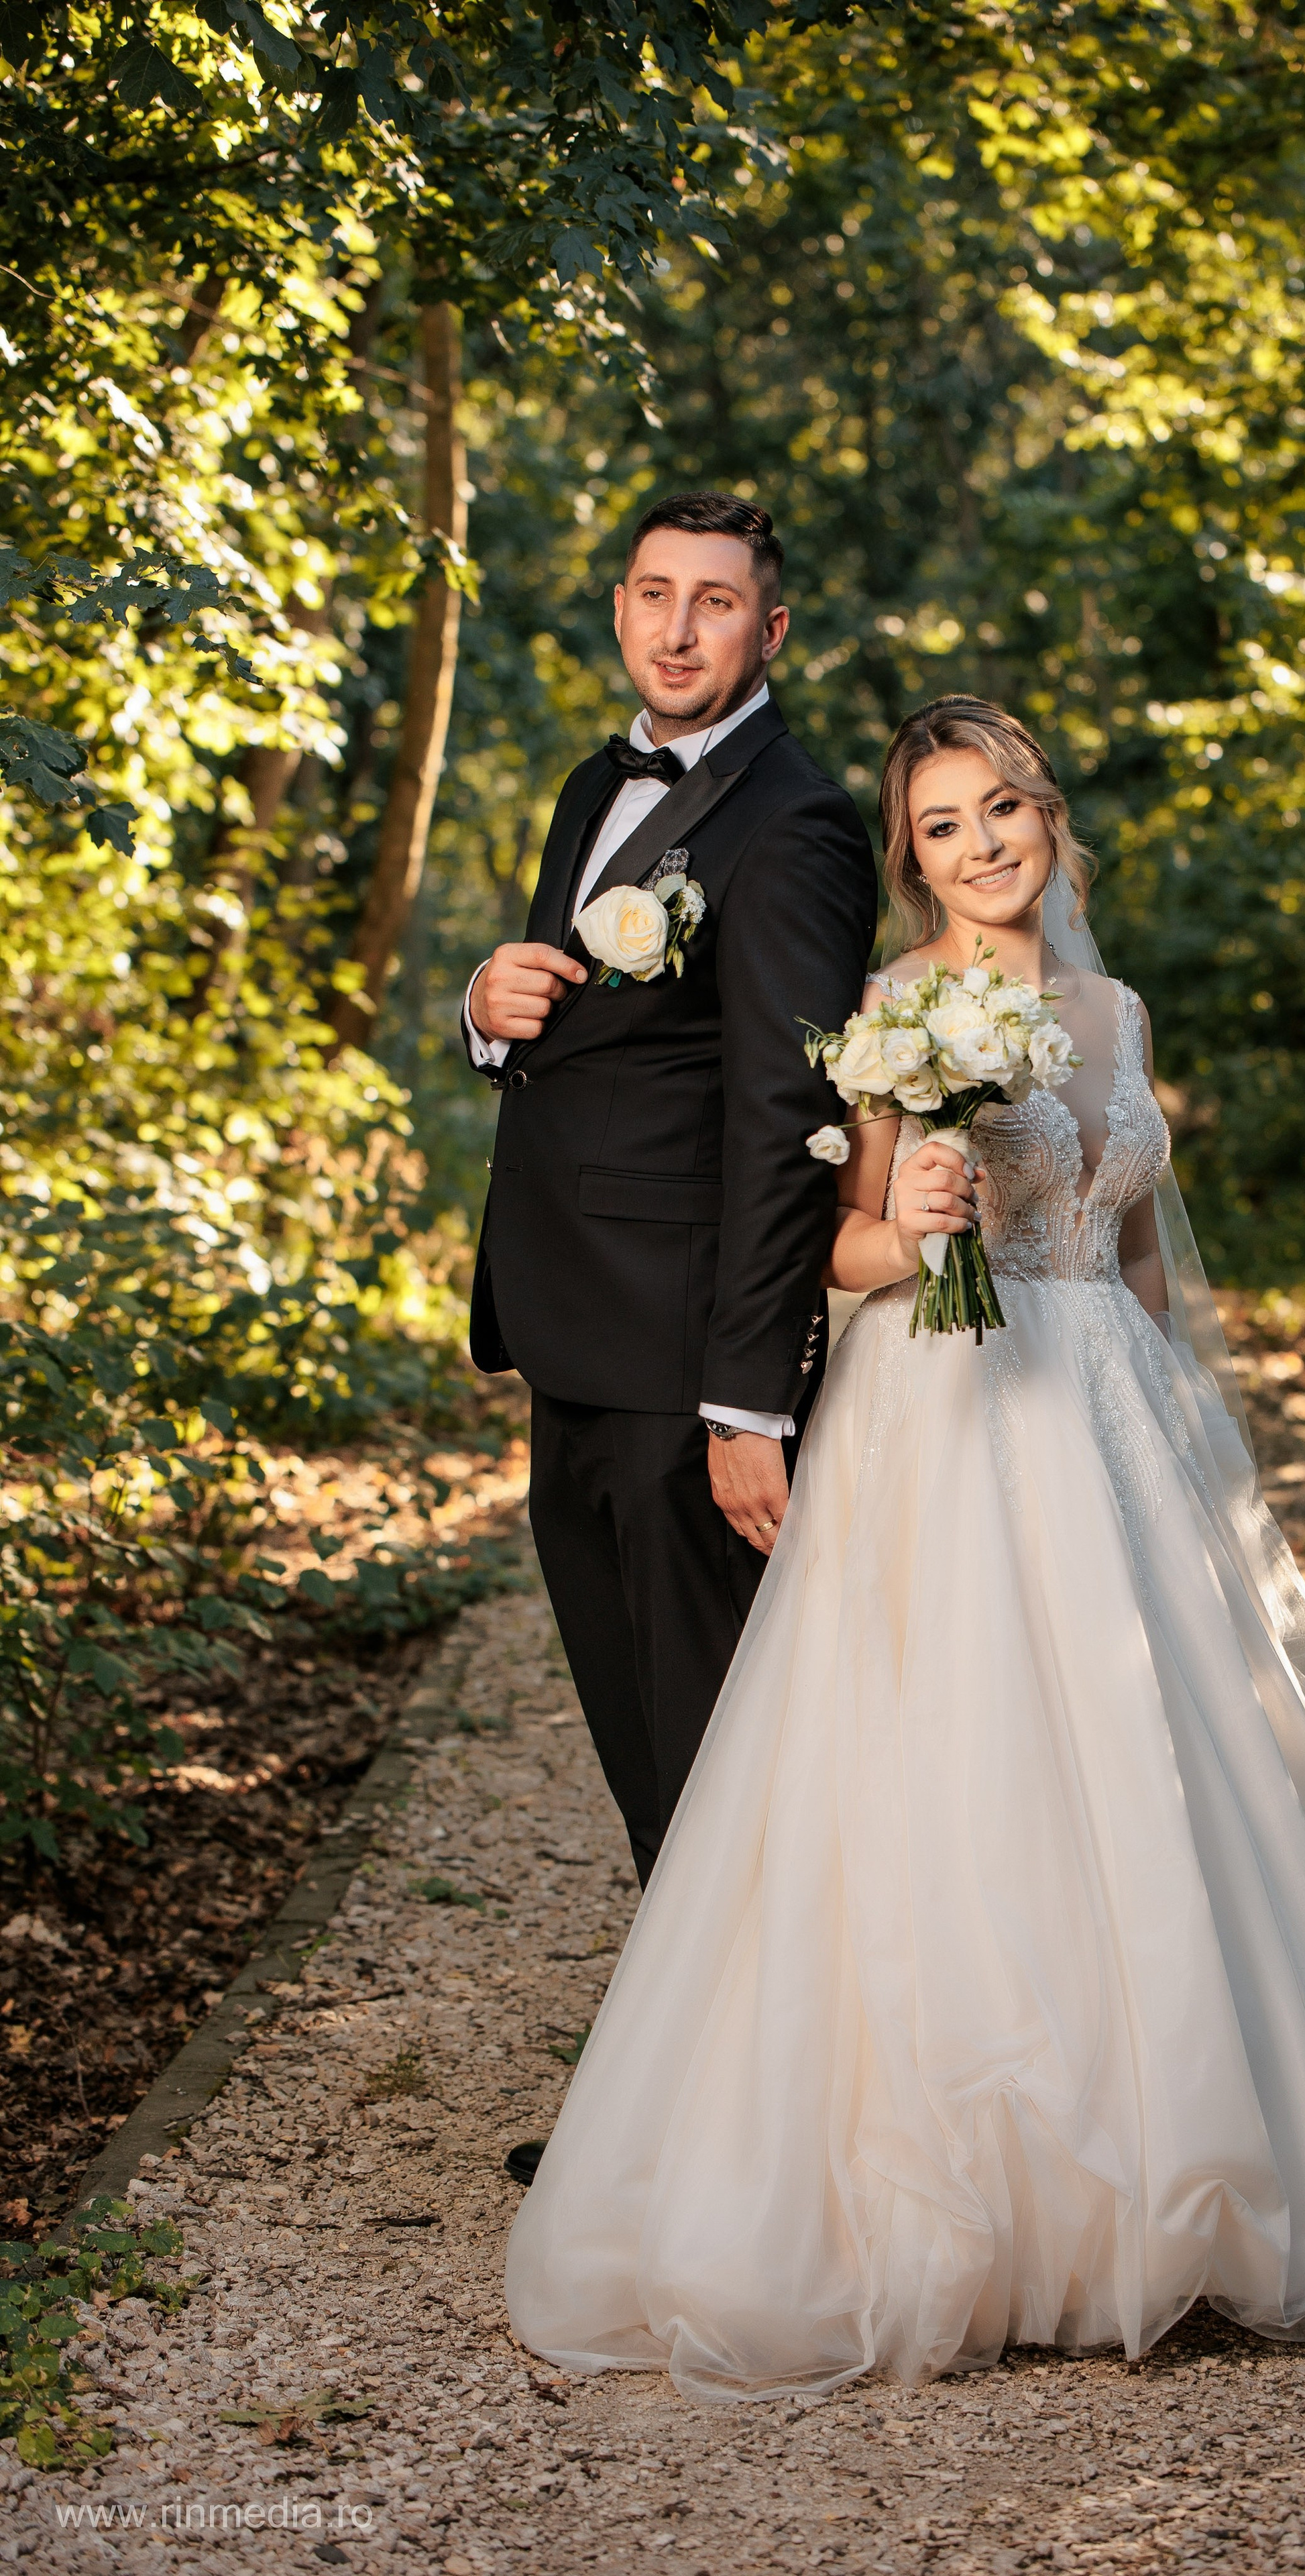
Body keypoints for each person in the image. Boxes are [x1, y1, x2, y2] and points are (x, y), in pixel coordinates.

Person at [505, 694, 1305, 2398]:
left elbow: (1128, 1258)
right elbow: (826, 1247)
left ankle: (1191, 2162)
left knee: (1158, 1769)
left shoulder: (1112, 1012)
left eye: (998, 813)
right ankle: (958, 2193)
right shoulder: (898, 1007)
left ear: (1044, 815)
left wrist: (1178, 1431)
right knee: (945, 1764)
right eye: (939, 831)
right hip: (947, 1415)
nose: (977, 849)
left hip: (1101, 1415)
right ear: (907, 862)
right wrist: (900, 1231)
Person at [462, 492, 876, 2180]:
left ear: (771, 634)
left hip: (681, 1359)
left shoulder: (797, 825)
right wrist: (488, 1018)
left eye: (717, 604)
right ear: (619, 610)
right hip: (571, 1332)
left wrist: (742, 1397)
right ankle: (684, 2100)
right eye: (653, 595)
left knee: (713, 1747)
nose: (679, 628)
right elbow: (580, 1028)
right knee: (645, 1744)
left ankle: (758, 2142)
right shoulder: (591, 784)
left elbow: (789, 1115)